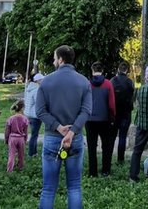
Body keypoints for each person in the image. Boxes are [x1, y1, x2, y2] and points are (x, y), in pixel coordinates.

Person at [36, 45, 92, 209]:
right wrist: (73, 131)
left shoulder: (46, 81)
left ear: (60, 59)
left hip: (52, 138)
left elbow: (40, 111)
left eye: (54, 58)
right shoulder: (83, 81)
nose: (54, 61)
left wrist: (58, 127)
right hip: (74, 140)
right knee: (74, 187)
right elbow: (87, 111)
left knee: (48, 189)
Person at [85, 62, 116, 178]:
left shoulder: (87, 84)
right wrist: (112, 117)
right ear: (102, 70)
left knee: (92, 147)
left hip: (90, 119)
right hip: (105, 120)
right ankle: (105, 171)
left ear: (92, 70)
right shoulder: (108, 84)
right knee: (106, 147)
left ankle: (93, 173)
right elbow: (112, 104)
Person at [111, 63, 134, 164]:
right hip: (126, 112)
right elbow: (132, 95)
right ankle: (120, 159)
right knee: (122, 137)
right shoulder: (129, 82)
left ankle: (108, 157)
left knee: (112, 137)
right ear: (127, 71)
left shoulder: (113, 81)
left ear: (118, 69)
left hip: (114, 113)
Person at [6, 99, 29, 172]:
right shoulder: (25, 119)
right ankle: (20, 167)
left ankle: (9, 170)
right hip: (21, 138)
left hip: (12, 138)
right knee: (21, 154)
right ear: (22, 108)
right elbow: (25, 131)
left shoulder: (10, 119)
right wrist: (25, 139)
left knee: (12, 154)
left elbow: (7, 131)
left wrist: (6, 139)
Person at [24, 72, 43, 157]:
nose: (43, 81)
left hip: (28, 114)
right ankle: (32, 153)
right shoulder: (37, 90)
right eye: (41, 80)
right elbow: (39, 103)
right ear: (37, 81)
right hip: (35, 116)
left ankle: (34, 152)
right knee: (34, 135)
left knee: (34, 134)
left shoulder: (29, 88)